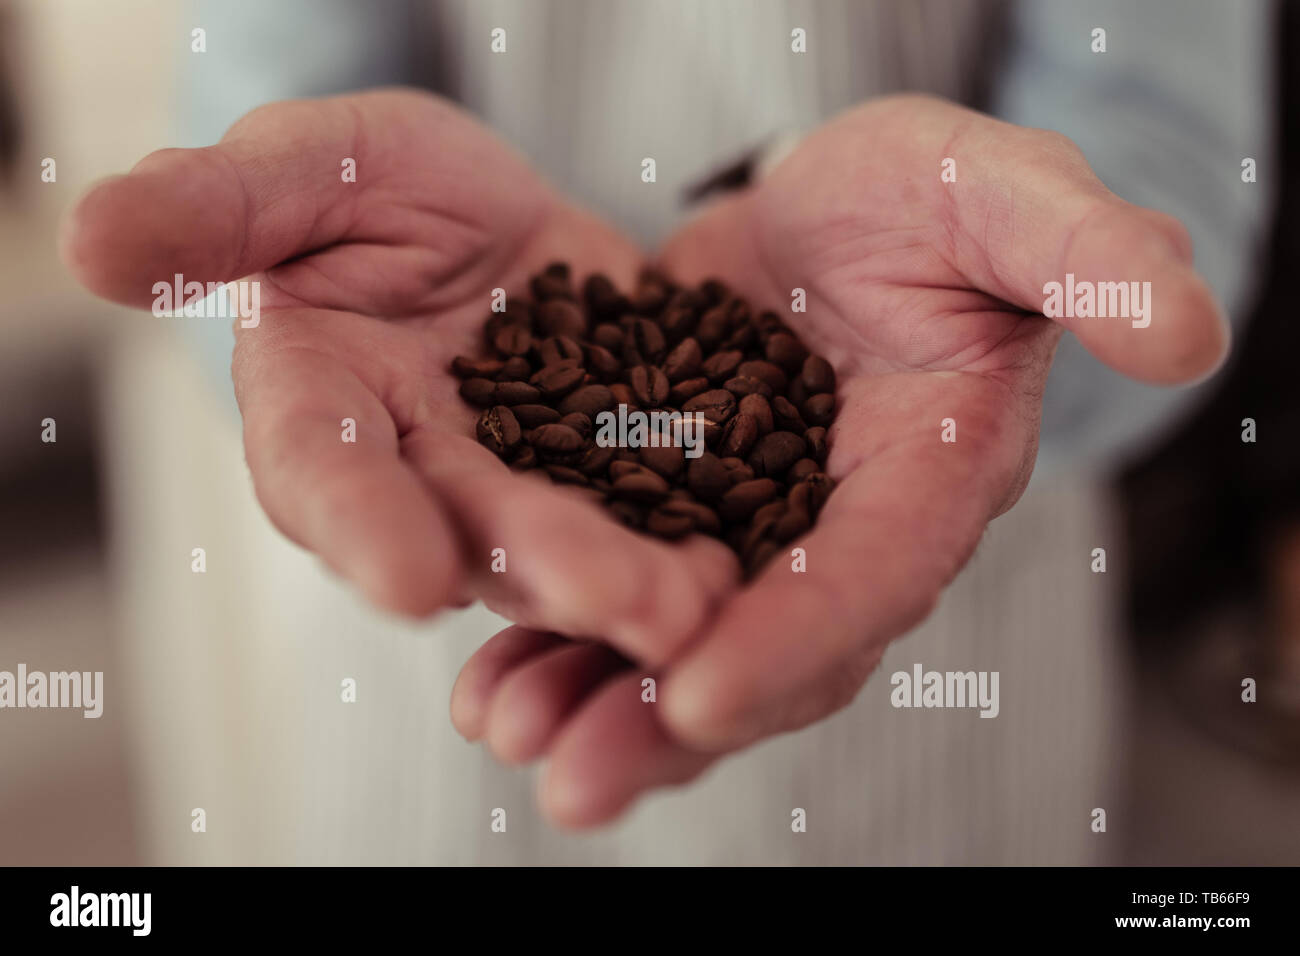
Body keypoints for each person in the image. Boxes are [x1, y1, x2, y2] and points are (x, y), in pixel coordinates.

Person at [61, 0, 1270, 862]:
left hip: (939, 578)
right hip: (436, 581)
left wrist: (1005, 313)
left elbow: (1164, 175)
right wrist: (312, 282)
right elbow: (266, 158)